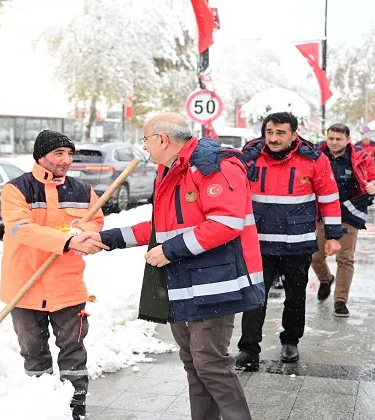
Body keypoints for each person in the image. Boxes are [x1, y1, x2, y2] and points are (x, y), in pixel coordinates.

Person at [85, 112, 264, 420]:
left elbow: (226, 222)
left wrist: (169, 251)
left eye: (146, 139)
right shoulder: (170, 171)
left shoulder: (212, 166)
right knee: (195, 365)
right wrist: (106, 237)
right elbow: (160, 227)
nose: (145, 146)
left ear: (162, 140)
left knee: (211, 365)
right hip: (183, 284)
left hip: (214, 285)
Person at [0, 130, 108, 420]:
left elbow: (96, 223)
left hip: (67, 285)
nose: (66, 160)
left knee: (73, 351)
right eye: (59, 153)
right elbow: (21, 229)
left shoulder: (83, 190)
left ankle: (76, 409)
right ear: (41, 156)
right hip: (25, 286)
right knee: (34, 352)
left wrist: (88, 237)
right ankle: (42, 406)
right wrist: (68, 240)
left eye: (70, 154)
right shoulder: (15, 190)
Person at [235, 112, 343, 368]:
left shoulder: (314, 159)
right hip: (258, 242)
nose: (273, 138)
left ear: (294, 134)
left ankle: (290, 341)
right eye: (269, 132)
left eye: (280, 133)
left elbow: (328, 197)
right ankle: (249, 349)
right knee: (254, 297)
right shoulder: (249, 156)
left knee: (295, 296)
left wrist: (333, 235)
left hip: (298, 242)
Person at [312, 123, 375, 317]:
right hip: (320, 213)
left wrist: (373, 188)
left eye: (339, 139)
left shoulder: (360, 157)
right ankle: (326, 279)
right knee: (315, 257)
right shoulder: (316, 154)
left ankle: (340, 301)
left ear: (348, 140)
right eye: (331, 138)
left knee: (345, 258)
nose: (334, 142)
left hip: (348, 213)